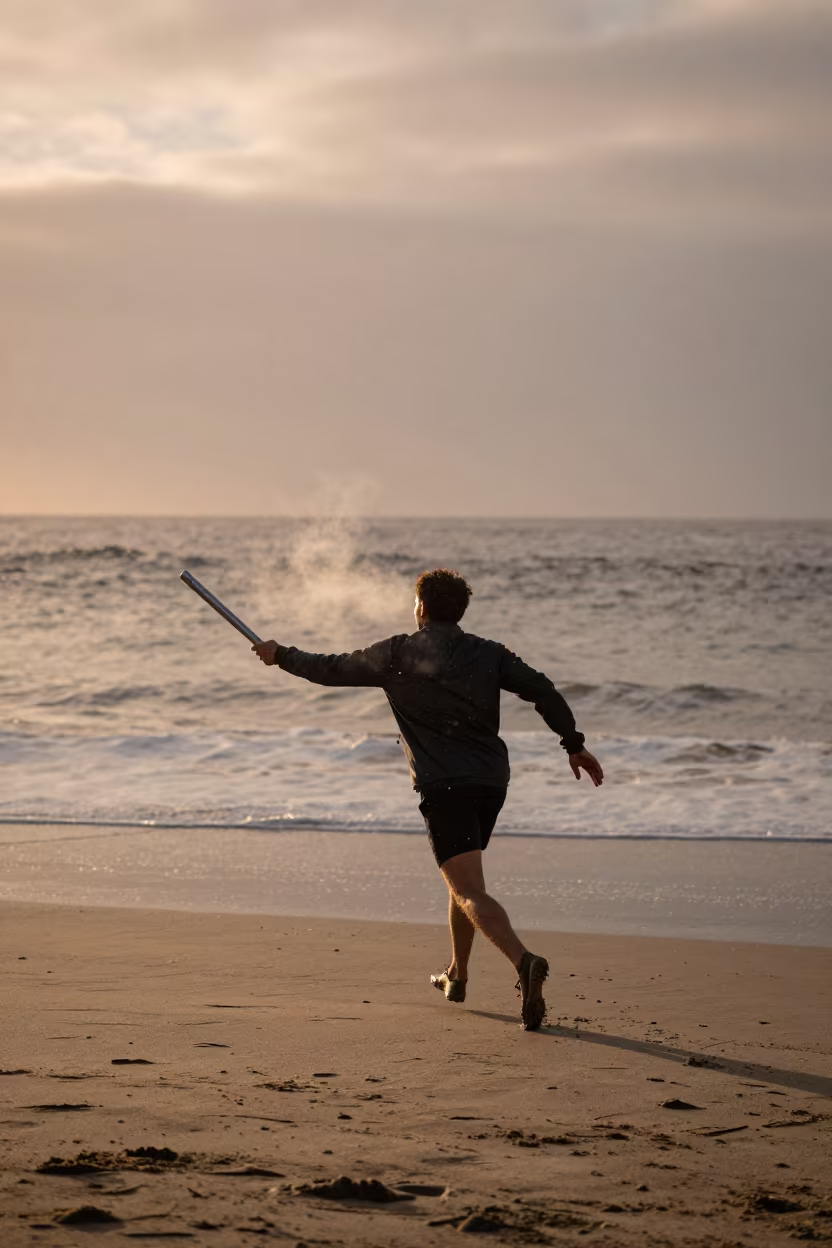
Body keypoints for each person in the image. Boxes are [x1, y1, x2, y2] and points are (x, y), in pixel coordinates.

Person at [253, 567, 603, 1030]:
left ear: (420, 607)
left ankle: (524, 961)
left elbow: (329, 668)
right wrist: (573, 743)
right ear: (460, 611)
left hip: (446, 785)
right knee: (462, 880)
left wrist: (281, 655)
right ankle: (457, 975)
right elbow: (543, 690)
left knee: (468, 888)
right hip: (491, 781)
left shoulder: (397, 653)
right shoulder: (488, 652)